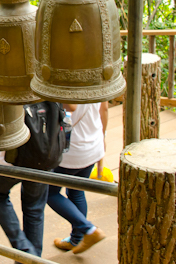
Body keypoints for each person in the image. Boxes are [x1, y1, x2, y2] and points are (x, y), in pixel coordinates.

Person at [47, 102, 108, 254]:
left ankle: (89, 230)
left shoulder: (66, 79)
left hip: (71, 149)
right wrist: (102, 139)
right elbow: (104, 109)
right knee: (76, 191)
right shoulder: (101, 78)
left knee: (48, 192)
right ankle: (76, 239)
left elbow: (71, 107)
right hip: (93, 145)